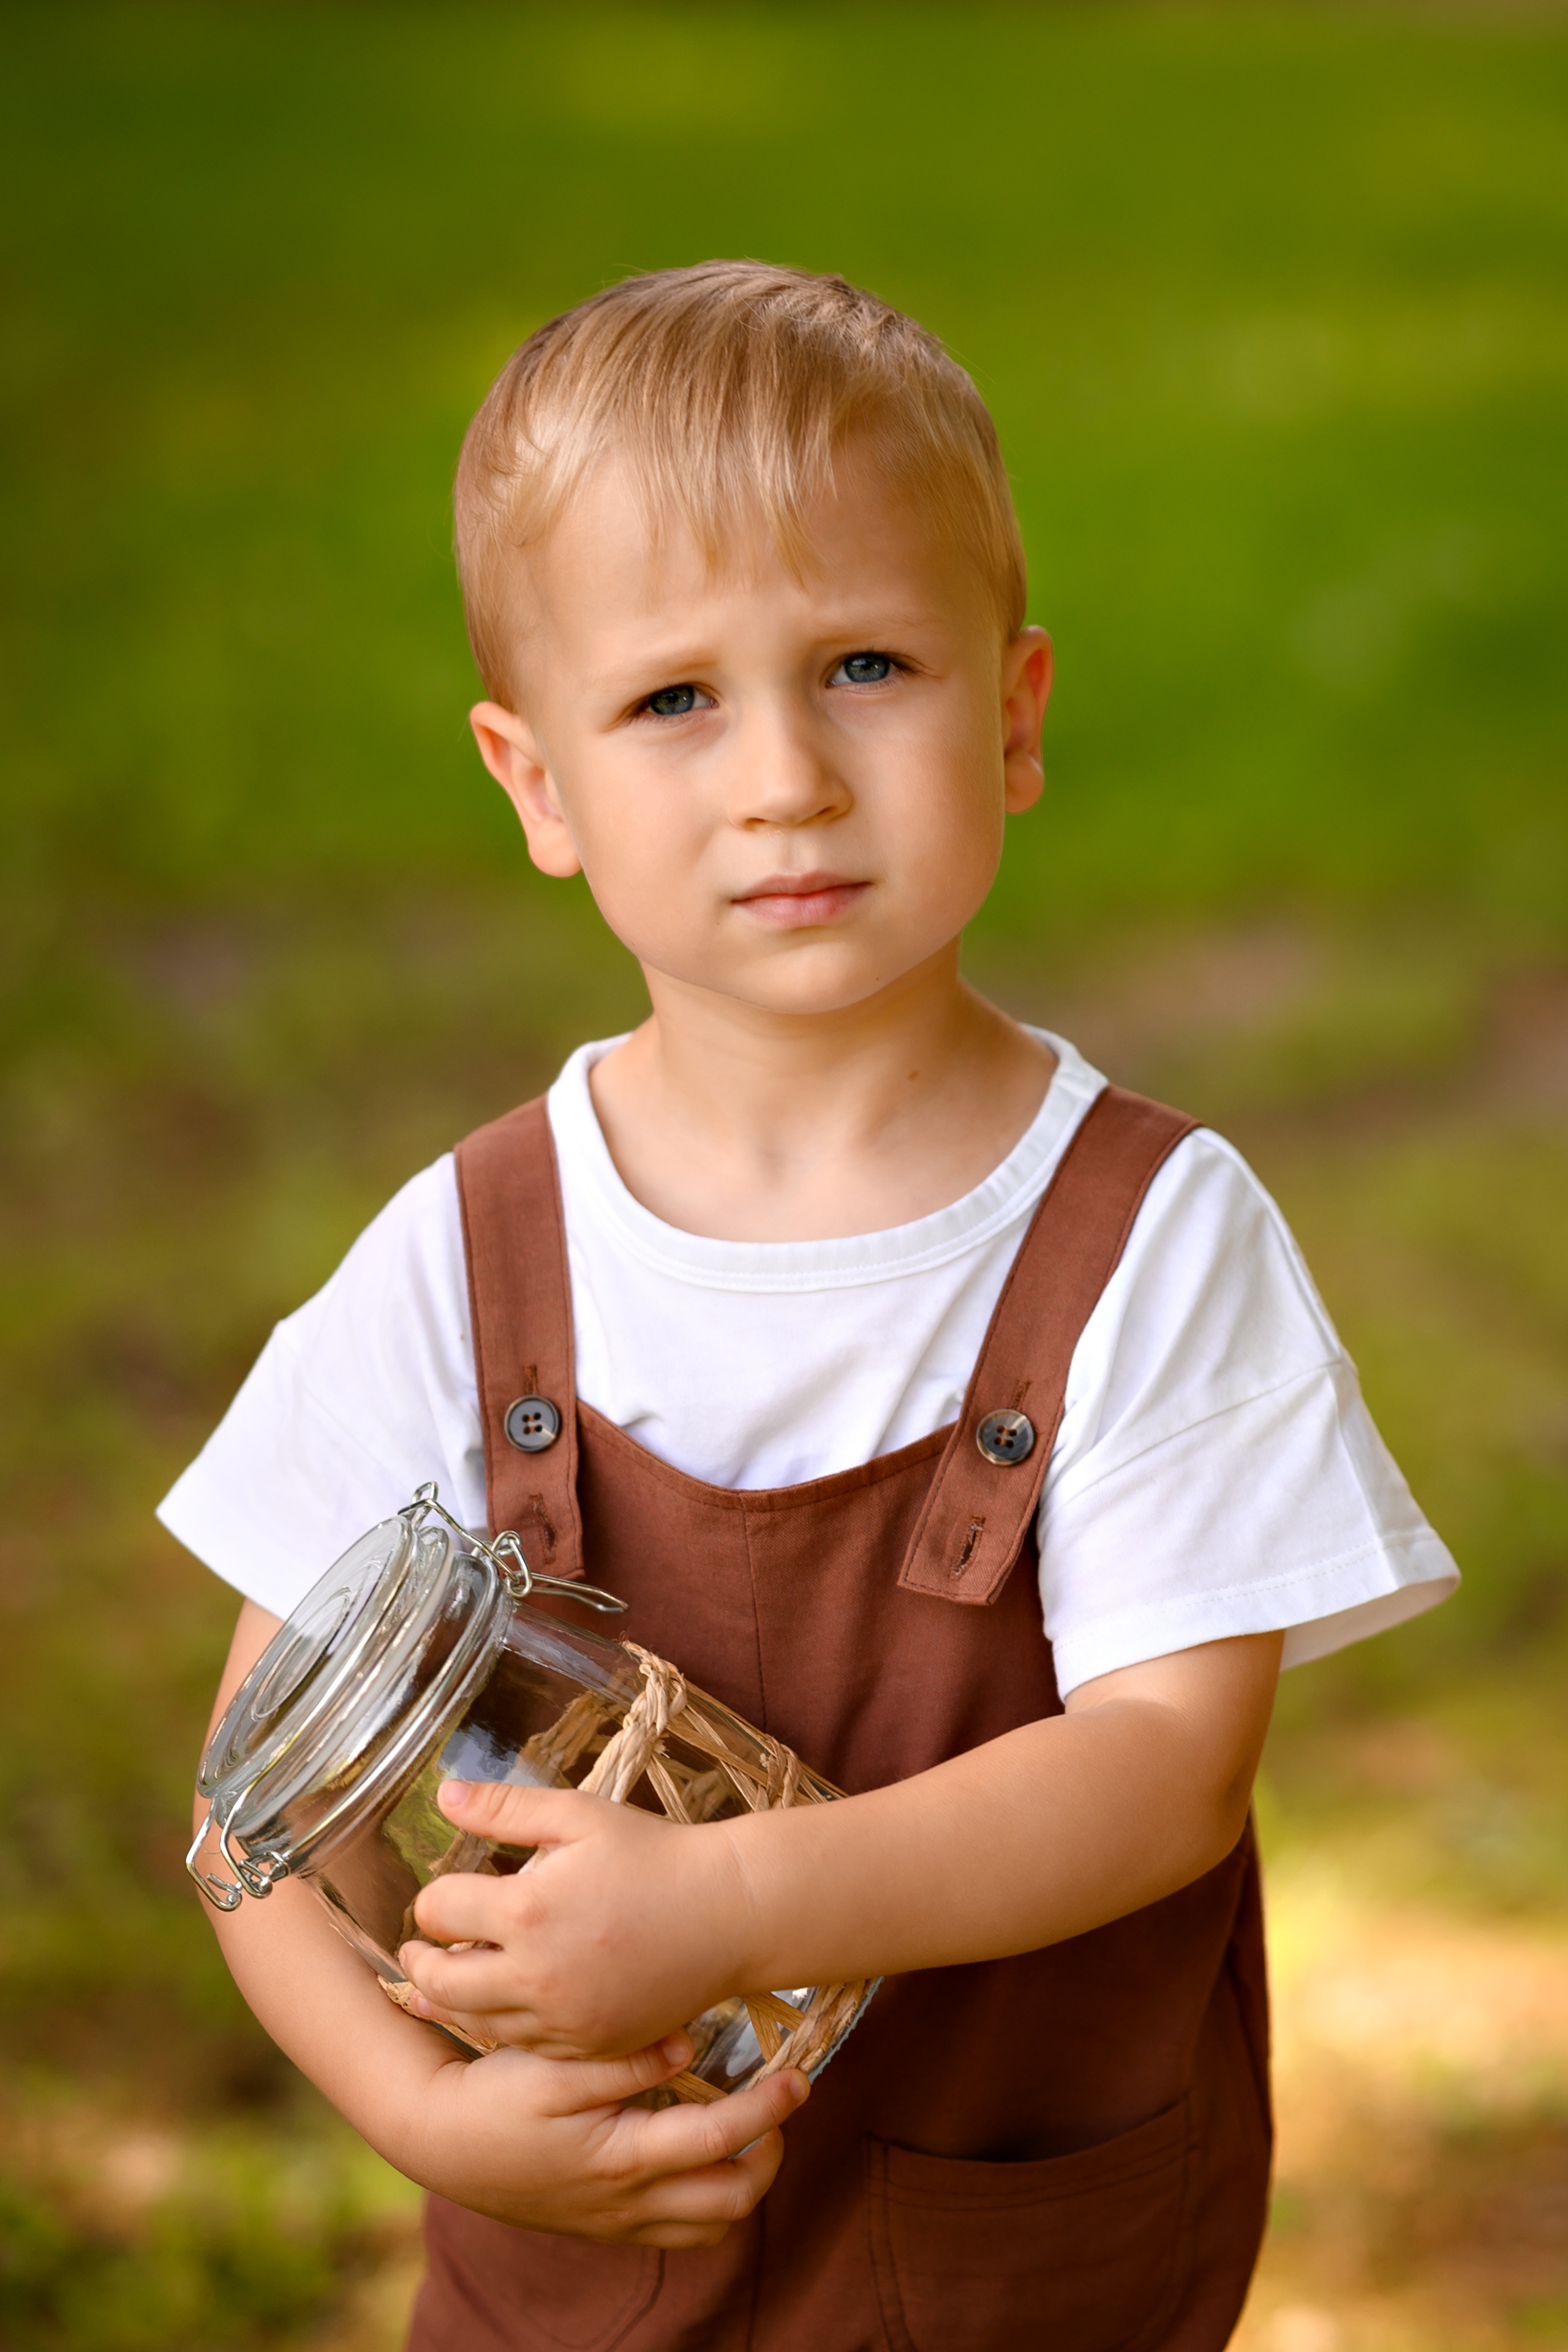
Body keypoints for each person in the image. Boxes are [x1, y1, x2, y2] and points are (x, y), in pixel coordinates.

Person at [162, 262, 1458, 2352]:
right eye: (675, 698)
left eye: (867, 664)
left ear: (1015, 713)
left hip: (1011, 2271)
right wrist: (427, 2111)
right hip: (576, 2265)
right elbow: (258, 1782)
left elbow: (1163, 1768)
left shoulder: (1148, 1233)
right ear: (538, 787)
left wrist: (734, 1904)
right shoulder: (472, 1251)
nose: (785, 775)